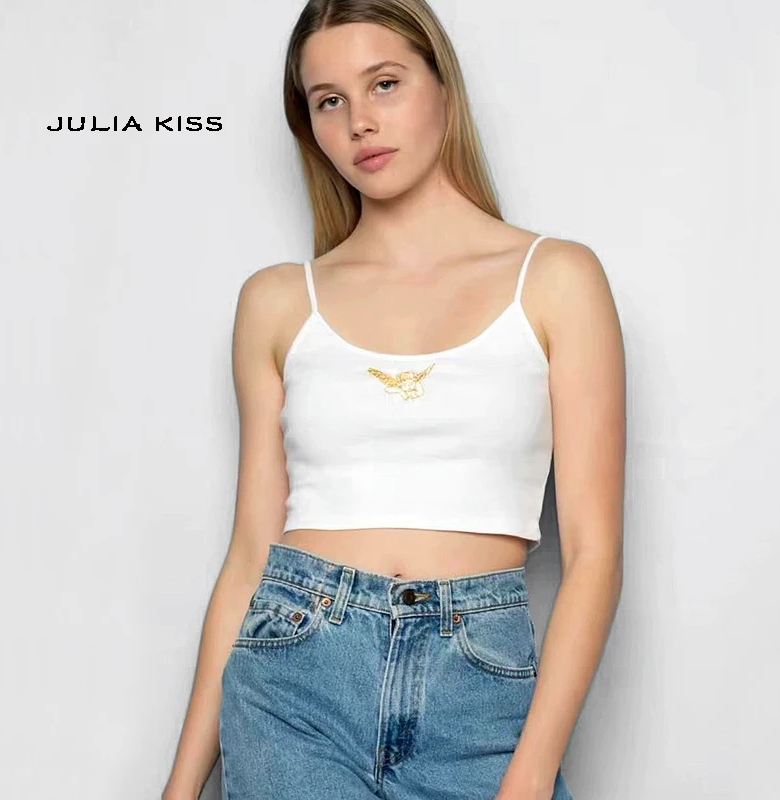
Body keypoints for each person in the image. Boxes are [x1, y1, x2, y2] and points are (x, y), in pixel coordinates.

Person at [163, 1, 625, 799]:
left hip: (477, 688)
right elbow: (247, 557)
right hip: (294, 676)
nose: (360, 123)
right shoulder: (279, 301)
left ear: (443, 86)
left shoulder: (556, 280)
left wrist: (528, 778)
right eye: (329, 100)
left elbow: (594, 557)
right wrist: (179, 789)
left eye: (384, 83)